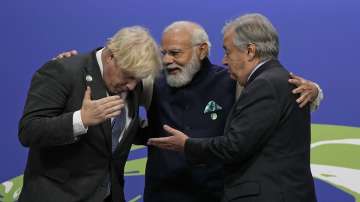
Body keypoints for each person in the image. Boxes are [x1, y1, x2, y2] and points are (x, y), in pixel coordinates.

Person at [56, 21, 323, 202]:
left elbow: (275, 95)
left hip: (214, 194)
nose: (168, 60)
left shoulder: (233, 82)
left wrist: (314, 89)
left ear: (202, 50)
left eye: (175, 53)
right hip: (162, 193)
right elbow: (110, 76)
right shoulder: (151, 82)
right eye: (164, 53)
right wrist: (74, 66)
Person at [148, 13, 317, 202]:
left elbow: (235, 146)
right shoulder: (275, 79)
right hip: (165, 193)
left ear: (250, 51)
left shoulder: (249, 83)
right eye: (164, 53)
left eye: (228, 52)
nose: (225, 60)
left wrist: (186, 145)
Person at [18, 26, 161, 202]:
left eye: (137, 79)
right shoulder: (64, 71)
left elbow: (116, 132)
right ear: (110, 57)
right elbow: (29, 130)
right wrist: (80, 120)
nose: (132, 86)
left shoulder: (130, 83)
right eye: (128, 76)